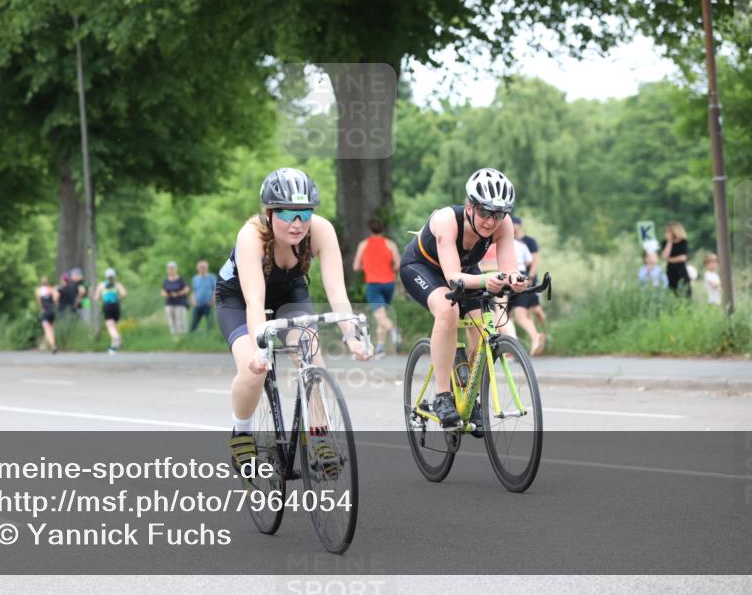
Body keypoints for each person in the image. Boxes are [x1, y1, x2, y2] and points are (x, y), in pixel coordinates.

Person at [217, 168, 370, 466]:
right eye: (287, 213)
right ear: (270, 212)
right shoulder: (251, 236)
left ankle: (320, 435)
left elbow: (337, 289)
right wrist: (261, 350)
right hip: (238, 298)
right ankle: (242, 432)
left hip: (290, 292)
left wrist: (351, 336)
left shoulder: (321, 230)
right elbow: (254, 300)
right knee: (253, 370)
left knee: (311, 355)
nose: (297, 224)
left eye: (305, 213)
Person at [399, 168, 529, 429]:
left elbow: (509, 268)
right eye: (484, 212)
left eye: (498, 214)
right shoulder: (447, 220)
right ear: (470, 206)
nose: (491, 222)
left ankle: (471, 396)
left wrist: (516, 280)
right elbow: (452, 278)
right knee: (448, 310)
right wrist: (487, 280)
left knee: (483, 326)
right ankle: (442, 396)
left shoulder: (503, 225)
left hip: (466, 270)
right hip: (423, 267)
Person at [352, 217, 400, 357]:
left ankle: (393, 330)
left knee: (380, 316)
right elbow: (397, 264)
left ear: (369, 230)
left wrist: (367, 267)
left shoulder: (364, 244)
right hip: (389, 284)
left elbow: (355, 266)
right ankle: (380, 347)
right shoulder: (390, 244)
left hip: (373, 284)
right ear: (382, 229)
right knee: (382, 315)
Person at [508, 216, 544, 355]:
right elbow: (530, 261)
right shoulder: (521, 244)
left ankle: (509, 349)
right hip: (522, 276)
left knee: (502, 316)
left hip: (505, 277)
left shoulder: (497, 242)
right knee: (521, 314)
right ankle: (535, 337)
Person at [94, 268, 127, 354]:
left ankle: (117, 337)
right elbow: (124, 293)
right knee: (115, 326)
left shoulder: (102, 285)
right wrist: (117, 298)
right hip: (116, 306)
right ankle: (113, 347)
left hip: (107, 306)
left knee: (110, 326)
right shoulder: (117, 285)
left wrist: (102, 298)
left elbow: (96, 297)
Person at [661, 222, 691, 298]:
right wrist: (669, 242)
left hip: (681, 271)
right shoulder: (665, 243)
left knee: (685, 292)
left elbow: (683, 257)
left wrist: (670, 260)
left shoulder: (683, 242)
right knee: (672, 291)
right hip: (670, 270)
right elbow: (664, 256)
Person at [161, 262, 190, 336]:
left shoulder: (181, 279)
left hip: (180, 303)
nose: (171, 270)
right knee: (171, 322)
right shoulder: (166, 280)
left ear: (176, 269)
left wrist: (178, 293)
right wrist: (168, 294)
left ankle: (182, 337)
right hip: (169, 303)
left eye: (173, 268)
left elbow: (187, 289)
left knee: (180, 321)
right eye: (170, 268)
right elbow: (162, 291)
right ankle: (174, 337)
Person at [189, 260, 217, 333]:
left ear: (207, 268)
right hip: (197, 304)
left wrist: (212, 301)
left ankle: (211, 337)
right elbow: (193, 291)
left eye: (204, 267)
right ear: (198, 268)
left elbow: (215, 290)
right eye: (201, 267)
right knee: (193, 324)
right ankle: (192, 337)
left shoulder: (211, 277)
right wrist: (193, 301)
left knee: (210, 323)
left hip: (208, 304)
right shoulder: (195, 278)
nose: (202, 268)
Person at [36, 277, 59, 353]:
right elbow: (56, 299)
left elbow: (39, 303)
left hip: (45, 312)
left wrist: (42, 309)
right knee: (51, 329)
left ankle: (53, 346)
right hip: (52, 311)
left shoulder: (38, 290)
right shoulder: (52, 289)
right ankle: (43, 345)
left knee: (47, 330)